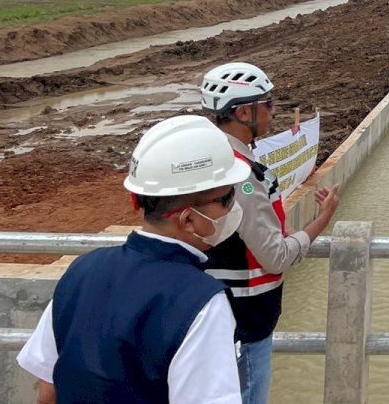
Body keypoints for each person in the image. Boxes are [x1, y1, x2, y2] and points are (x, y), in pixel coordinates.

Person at [17, 116, 248, 404]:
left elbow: (48, 391)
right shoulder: (202, 303)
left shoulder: (82, 271)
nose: (234, 206)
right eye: (227, 198)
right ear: (189, 219)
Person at [199, 63, 340, 404]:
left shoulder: (209, 155)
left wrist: (281, 231)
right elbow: (275, 256)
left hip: (214, 313)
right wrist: (323, 217)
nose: (273, 112)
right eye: (268, 104)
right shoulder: (243, 175)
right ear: (244, 111)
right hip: (245, 323)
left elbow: (236, 233)